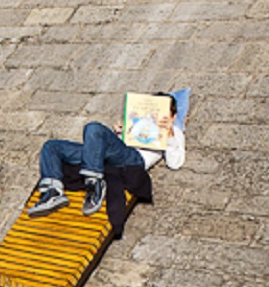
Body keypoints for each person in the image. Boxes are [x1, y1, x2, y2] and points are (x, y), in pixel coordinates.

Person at [27, 92, 186, 222]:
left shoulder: (174, 132)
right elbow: (116, 145)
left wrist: (170, 134)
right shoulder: (140, 121)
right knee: (52, 146)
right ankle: (53, 192)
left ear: (173, 117)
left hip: (133, 159)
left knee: (93, 128)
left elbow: (175, 163)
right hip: (113, 153)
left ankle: (94, 184)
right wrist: (120, 132)